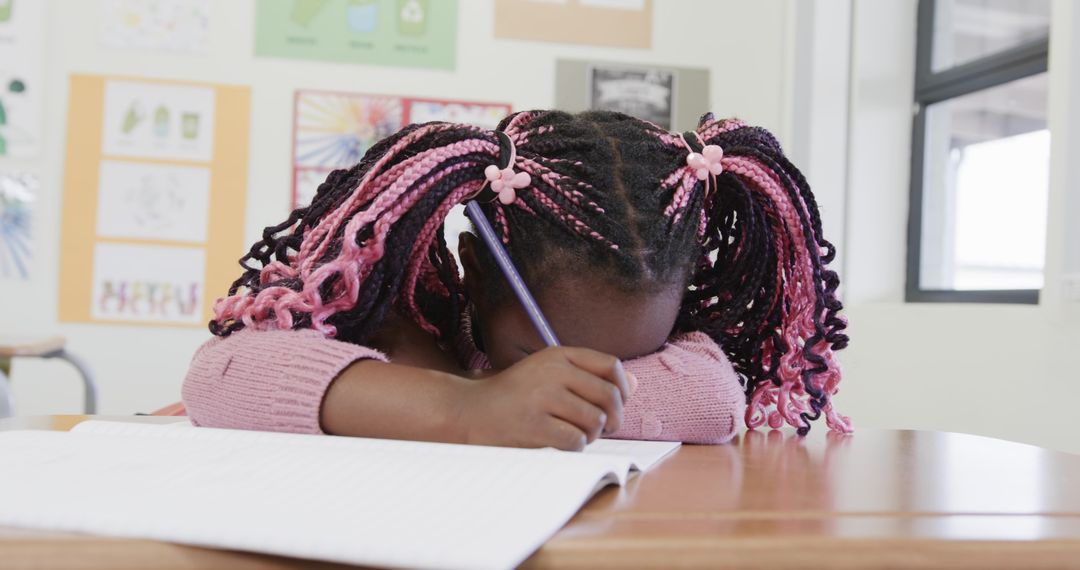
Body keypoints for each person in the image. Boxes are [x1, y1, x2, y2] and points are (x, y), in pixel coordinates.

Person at [182, 110, 850, 450]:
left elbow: (713, 400)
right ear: (475, 272)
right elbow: (217, 376)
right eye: (539, 357)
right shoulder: (397, 324)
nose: (576, 377)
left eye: (634, 356)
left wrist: (531, 400)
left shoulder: (688, 361)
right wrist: (468, 407)